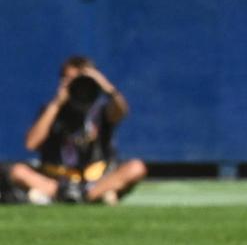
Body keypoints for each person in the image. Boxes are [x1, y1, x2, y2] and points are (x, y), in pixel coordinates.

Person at [5, 56, 147, 205]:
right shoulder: (52, 110)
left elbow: (121, 112)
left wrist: (107, 87)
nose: (77, 85)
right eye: (70, 79)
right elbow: (31, 144)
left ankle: (82, 196)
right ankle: (78, 196)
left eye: (80, 80)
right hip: (57, 179)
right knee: (17, 171)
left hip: (95, 178)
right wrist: (56, 104)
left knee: (136, 167)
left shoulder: (102, 110)